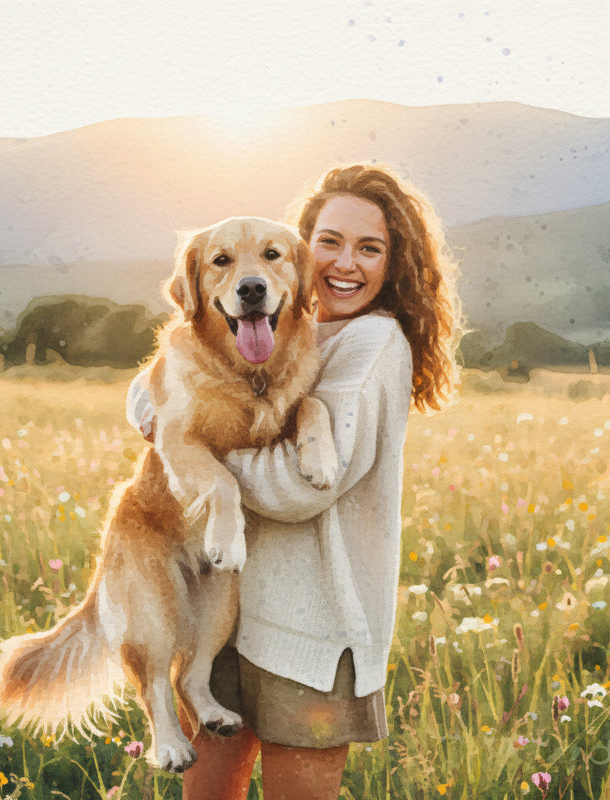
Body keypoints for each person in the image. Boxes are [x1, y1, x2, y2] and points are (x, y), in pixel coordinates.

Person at [126, 163, 460, 799]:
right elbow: (171, 377)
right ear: (304, 255)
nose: (345, 263)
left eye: (371, 248)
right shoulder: (284, 328)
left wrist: (194, 455)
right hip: (229, 617)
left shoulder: (373, 344)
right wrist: (156, 415)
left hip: (310, 636)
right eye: (330, 241)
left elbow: (300, 488)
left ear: (395, 265)